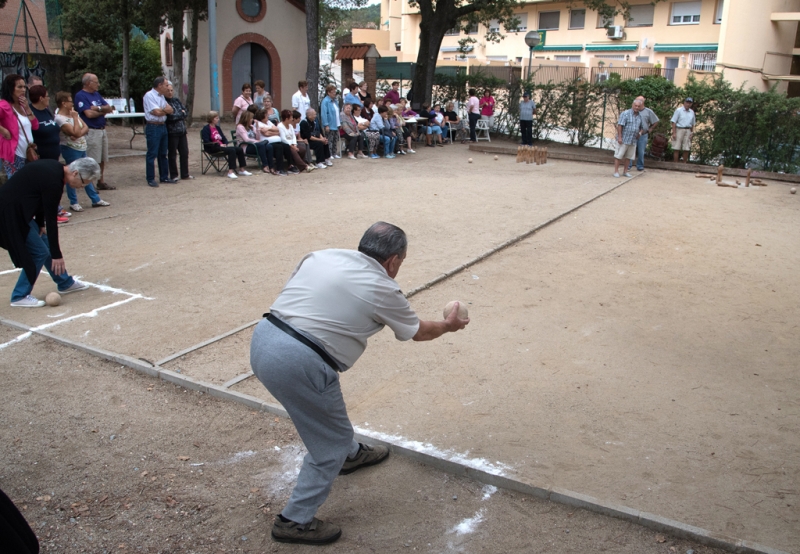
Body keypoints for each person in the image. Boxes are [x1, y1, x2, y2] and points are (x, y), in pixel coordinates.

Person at [251, 221, 469, 545]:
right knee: (330, 442)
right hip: (302, 361)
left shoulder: (321, 256)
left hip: (263, 340)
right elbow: (419, 332)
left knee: (318, 412)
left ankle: (350, 456)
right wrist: (449, 326)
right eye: (401, 262)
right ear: (393, 261)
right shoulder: (382, 287)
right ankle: (294, 520)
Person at [0, 158, 100, 307]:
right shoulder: (54, 181)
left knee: (44, 240)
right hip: (9, 214)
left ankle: (64, 282)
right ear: (75, 173)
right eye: (84, 182)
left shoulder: (56, 171)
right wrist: (57, 255)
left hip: (18, 211)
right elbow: (52, 219)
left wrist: (40, 224)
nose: (82, 186)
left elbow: (40, 199)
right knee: (39, 252)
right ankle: (19, 295)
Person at [54, 91, 109, 211]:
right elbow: (76, 132)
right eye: (70, 101)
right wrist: (76, 126)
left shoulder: (73, 114)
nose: (72, 103)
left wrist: (78, 132)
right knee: (72, 173)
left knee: (86, 172)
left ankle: (95, 198)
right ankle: (74, 201)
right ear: (63, 103)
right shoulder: (60, 118)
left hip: (81, 146)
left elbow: (84, 127)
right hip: (70, 148)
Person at [74, 73, 115, 190]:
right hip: (92, 131)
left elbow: (109, 108)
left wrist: (98, 108)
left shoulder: (96, 94)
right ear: (88, 83)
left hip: (102, 130)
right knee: (93, 159)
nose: (98, 84)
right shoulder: (81, 96)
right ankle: (90, 184)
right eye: (96, 82)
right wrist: (103, 111)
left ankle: (100, 181)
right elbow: (89, 114)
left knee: (102, 158)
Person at [0, 74, 39, 179]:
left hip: (28, 151)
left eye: (24, 87)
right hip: (14, 153)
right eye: (19, 87)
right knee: (17, 185)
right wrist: (3, 130)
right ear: (10, 89)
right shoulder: (4, 105)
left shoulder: (23, 105)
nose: (23, 90)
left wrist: (28, 109)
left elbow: (35, 126)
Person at [143, 76, 174, 187]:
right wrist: (163, 111)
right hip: (153, 126)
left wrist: (163, 111)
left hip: (162, 126)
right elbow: (156, 112)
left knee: (163, 153)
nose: (167, 88)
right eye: (166, 85)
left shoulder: (161, 97)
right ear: (159, 85)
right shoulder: (149, 95)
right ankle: (150, 178)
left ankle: (164, 177)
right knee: (152, 153)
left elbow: (170, 109)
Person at [202, 111, 250, 179]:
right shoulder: (206, 129)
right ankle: (230, 172)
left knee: (239, 149)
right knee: (232, 150)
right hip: (212, 148)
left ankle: (242, 169)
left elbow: (223, 138)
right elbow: (206, 140)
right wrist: (218, 145)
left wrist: (225, 143)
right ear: (212, 119)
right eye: (216, 118)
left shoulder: (217, 128)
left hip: (222, 146)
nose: (218, 119)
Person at [164, 83, 193, 181]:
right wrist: (181, 114)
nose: (170, 92)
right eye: (168, 90)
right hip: (172, 132)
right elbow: (170, 117)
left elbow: (185, 111)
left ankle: (185, 174)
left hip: (182, 130)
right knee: (172, 154)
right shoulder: (164, 102)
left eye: (171, 90)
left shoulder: (176, 100)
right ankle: (174, 175)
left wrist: (180, 114)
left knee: (184, 152)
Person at [626, 95, 659, 172]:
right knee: (630, 150)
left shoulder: (648, 111)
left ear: (643, 102)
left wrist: (651, 128)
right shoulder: (631, 111)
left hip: (643, 135)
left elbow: (656, 121)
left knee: (641, 151)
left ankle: (640, 166)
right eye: (636, 101)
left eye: (640, 102)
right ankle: (628, 165)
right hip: (633, 134)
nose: (638, 104)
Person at [28, 85, 61, 162]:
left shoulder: (46, 111)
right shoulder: (30, 112)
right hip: (41, 156)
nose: (49, 98)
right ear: (41, 98)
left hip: (54, 155)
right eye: (47, 96)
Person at [614, 99, 644, 178]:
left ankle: (625, 171)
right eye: (635, 106)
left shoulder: (640, 116)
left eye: (638, 106)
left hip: (633, 140)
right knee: (619, 155)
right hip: (624, 138)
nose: (636, 108)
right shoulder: (625, 113)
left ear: (640, 107)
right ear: (632, 105)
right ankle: (616, 171)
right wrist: (620, 137)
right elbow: (620, 125)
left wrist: (640, 133)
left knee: (629, 157)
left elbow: (642, 127)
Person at [254, 109, 289, 175]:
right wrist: (275, 132)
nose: (268, 116)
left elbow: (278, 130)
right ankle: (279, 169)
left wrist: (268, 129)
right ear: (262, 116)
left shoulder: (268, 122)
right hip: (267, 143)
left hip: (277, 141)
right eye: (266, 115)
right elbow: (266, 134)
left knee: (286, 146)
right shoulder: (259, 124)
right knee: (279, 147)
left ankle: (290, 165)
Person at [278, 109, 311, 173]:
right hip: (286, 145)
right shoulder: (280, 126)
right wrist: (293, 147)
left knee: (302, 149)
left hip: (293, 144)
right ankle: (305, 166)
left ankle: (298, 165)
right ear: (287, 119)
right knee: (294, 151)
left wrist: (295, 145)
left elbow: (293, 136)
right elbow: (283, 139)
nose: (292, 119)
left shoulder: (290, 126)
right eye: (291, 117)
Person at [671, 97, 695, 164]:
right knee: (676, 147)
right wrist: (674, 133)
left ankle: (684, 163)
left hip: (688, 130)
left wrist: (692, 133)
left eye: (690, 103)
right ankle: (675, 163)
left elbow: (693, 124)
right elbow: (674, 122)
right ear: (684, 102)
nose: (688, 104)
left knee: (686, 147)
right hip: (679, 129)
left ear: (691, 104)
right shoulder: (679, 110)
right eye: (687, 102)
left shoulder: (692, 112)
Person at [320, 85, 340, 159]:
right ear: (328, 92)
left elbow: (337, 112)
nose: (334, 93)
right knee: (329, 139)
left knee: (335, 139)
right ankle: (329, 153)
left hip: (336, 123)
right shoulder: (325, 101)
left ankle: (334, 153)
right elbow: (324, 114)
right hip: (330, 124)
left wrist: (339, 122)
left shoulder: (335, 101)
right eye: (333, 92)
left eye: (335, 92)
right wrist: (326, 124)